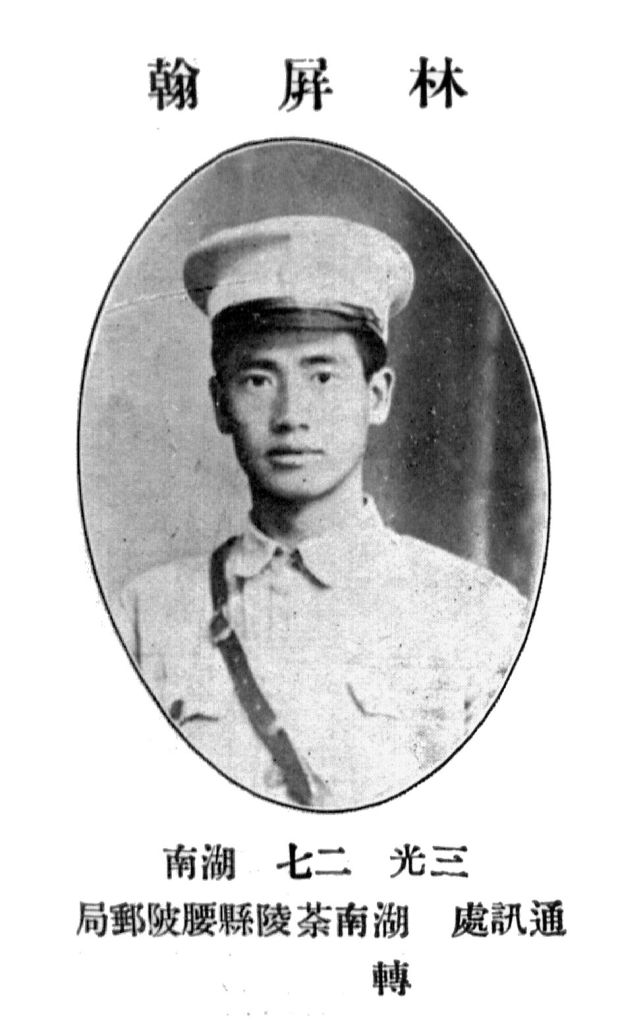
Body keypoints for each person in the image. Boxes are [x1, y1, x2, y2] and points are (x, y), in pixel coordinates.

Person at [115, 215, 528, 810]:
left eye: (323, 376)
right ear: (220, 404)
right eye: (258, 379)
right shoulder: (143, 617)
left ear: (377, 395)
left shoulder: (478, 617)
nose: (291, 415)